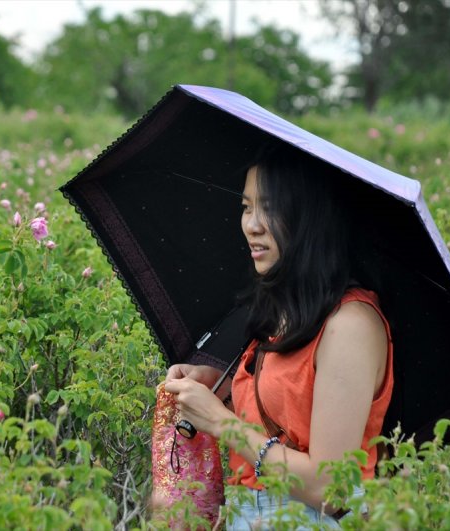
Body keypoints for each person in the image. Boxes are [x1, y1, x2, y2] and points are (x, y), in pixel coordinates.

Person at [163, 144, 394, 529]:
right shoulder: (281, 312)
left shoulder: (350, 325)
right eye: (246, 206)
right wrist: (223, 388)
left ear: (312, 217)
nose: (252, 224)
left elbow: (329, 487)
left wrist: (221, 423)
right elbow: (284, 416)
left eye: (270, 208)